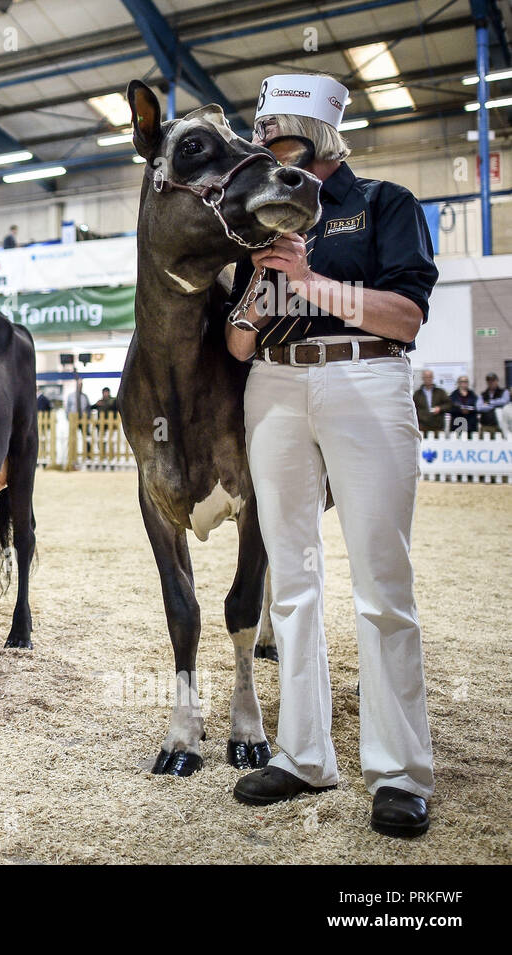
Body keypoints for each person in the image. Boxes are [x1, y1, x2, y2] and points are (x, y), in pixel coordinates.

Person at [224, 72, 439, 837]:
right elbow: (239, 342)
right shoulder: (259, 227)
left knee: (383, 581)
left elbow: (407, 316)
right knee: (293, 578)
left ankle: (401, 770)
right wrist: (257, 284)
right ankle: (303, 752)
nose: (262, 152)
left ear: (313, 139)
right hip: (275, 388)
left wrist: (311, 281)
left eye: (274, 137)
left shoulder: (382, 203)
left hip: (365, 373)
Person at [412, 369, 451, 434]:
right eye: (426, 377)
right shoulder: (417, 394)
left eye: (430, 377)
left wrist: (440, 408)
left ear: (433, 378)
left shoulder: (440, 392)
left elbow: (448, 404)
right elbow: (413, 408)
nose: (428, 379)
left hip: (437, 425)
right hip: (422, 426)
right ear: (423, 378)